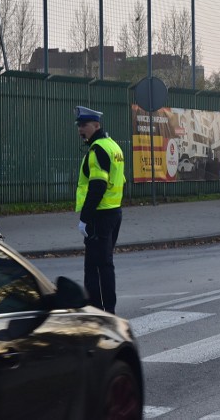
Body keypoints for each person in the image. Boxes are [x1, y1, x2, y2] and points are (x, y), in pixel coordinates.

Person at [74, 105, 125, 314]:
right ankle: (108, 310)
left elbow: (97, 186)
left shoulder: (97, 150)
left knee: (94, 267)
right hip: (114, 213)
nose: (80, 129)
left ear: (96, 125)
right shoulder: (113, 146)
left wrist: (85, 218)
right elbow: (121, 180)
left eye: (84, 125)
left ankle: (98, 311)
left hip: (99, 216)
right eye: (78, 125)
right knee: (105, 265)